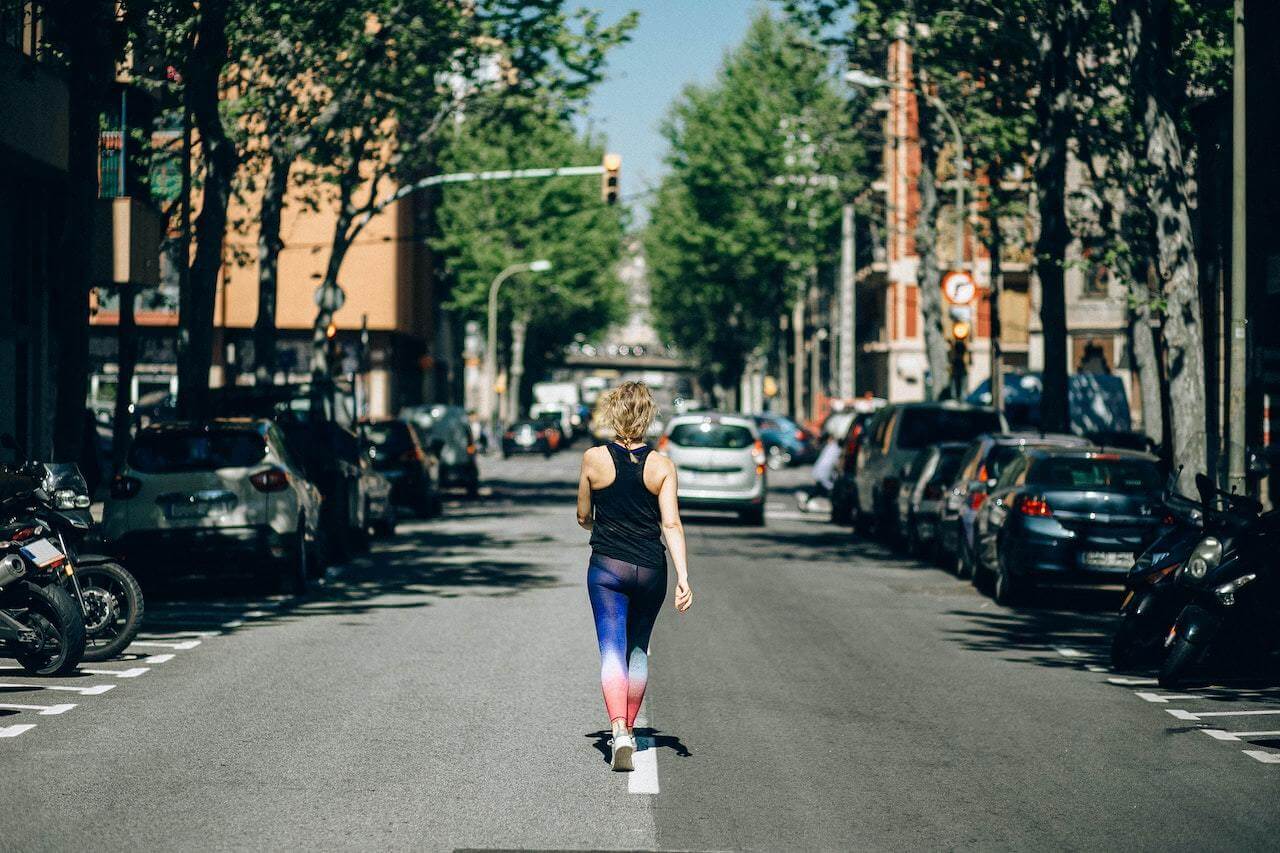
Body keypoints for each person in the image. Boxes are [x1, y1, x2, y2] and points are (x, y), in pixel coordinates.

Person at [576, 381, 692, 771]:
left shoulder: (594, 459)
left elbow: (582, 515)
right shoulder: (662, 465)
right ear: (648, 417)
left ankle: (620, 731)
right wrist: (683, 577)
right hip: (651, 569)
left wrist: (597, 521)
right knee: (638, 648)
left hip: (607, 567)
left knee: (611, 648)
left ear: (613, 414)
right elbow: (671, 524)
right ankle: (628, 726)